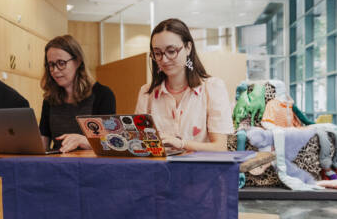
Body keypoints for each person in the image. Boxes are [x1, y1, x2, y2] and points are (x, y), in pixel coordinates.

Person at [135, 18, 233, 152]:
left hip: (200, 165)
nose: (164, 60)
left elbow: (220, 147)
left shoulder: (212, 88)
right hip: (160, 165)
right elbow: (139, 144)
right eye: (157, 53)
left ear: (188, 48)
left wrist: (181, 143)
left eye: (171, 51)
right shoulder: (147, 93)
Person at [39, 35, 116, 152]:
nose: (55, 70)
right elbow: (43, 143)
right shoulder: (50, 99)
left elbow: (110, 143)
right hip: (57, 161)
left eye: (61, 63)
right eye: (51, 64)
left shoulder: (103, 95)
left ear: (78, 61)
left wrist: (83, 141)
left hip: (90, 162)